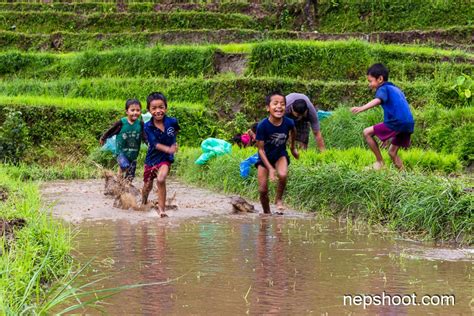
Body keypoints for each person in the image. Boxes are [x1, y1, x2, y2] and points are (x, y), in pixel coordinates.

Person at [351, 63, 414, 170]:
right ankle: (405, 177)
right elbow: (393, 110)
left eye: (370, 81)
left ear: (380, 79)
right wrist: (386, 136)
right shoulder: (396, 89)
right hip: (408, 123)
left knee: (366, 132)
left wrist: (362, 108)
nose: (369, 84)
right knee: (392, 152)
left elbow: (378, 100)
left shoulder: (383, 88)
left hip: (398, 121)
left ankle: (380, 162)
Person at [255, 92, 299, 215]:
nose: (279, 106)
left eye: (282, 104)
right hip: (264, 158)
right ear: (268, 108)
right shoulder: (262, 126)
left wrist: (292, 147)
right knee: (262, 189)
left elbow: (293, 131)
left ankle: (278, 199)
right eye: (275, 103)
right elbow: (261, 150)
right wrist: (270, 168)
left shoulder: (289, 122)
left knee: (283, 175)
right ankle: (267, 213)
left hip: (280, 155)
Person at [141, 92, 180, 217]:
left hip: (165, 159)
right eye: (154, 108)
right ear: (149, 110)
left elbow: (176, 131)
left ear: (166, 108)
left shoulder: (172, 122)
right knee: (147, 185)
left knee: (161, 179)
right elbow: (154, 144)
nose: (158, 111)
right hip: (151, 159)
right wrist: (169, 148)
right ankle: (143, 202)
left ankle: (162, 210)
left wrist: (174, 143)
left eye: (161, 107)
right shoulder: (148, 126)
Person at [100, 98, 146, 181]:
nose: (135, 112)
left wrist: (149, 143)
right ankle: (118, 180)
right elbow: (111, 130)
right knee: (124, 165)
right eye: (132, 110)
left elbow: (145, 136)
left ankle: (123, 190)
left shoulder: (140, 124)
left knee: (130, 177)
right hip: (121, 152)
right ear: (127, 111)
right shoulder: (122, 123)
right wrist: (104, 138)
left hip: (133, 153)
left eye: (138, 110)